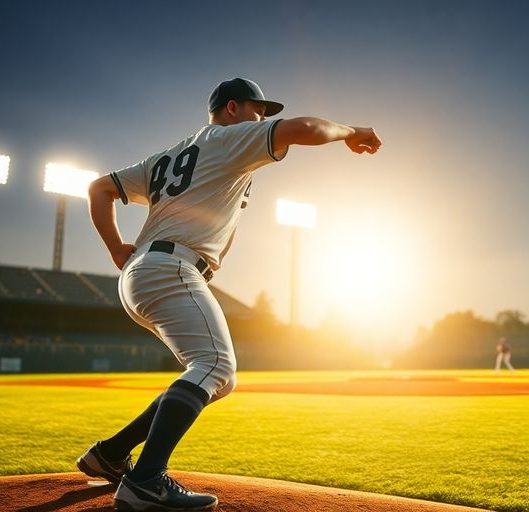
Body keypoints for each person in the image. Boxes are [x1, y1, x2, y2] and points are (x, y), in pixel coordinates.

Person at [77, 77, 381, 511]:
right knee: (217, 366)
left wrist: (115, 247)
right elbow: (305, 128)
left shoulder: (169, 156)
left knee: (206, 372)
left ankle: (111, 454)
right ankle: (145, 479)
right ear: (232, 107)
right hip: (171, 268)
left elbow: (98, 189)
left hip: (141, 271)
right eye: (257, 109)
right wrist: (352, 132)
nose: (262, 119)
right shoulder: (227, 138)